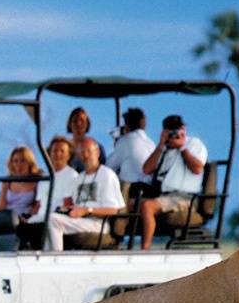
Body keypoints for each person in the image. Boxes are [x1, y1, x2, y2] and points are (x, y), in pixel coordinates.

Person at [138, 115, 208, 249]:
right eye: (171, 130)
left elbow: (198, 168)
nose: (175, 134)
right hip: (164, 195)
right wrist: (160, 145)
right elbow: (146, 170)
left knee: (147, 206)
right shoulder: (165, 149)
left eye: (178, 129)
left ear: (184, 129)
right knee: (135, 203)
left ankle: (144, 249)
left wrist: (182, 148)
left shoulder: (194, 143)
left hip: (185, 197)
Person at [46, 137, 124, 251]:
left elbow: (113, 210)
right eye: (81, 152)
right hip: (81, 220)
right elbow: (76, 205)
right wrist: (67, 209)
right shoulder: (79, 178)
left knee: (53, 220)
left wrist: (88, 210)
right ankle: (46, 261)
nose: (85, 155)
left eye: (88, 151)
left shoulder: (107, 175)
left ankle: (57, 259)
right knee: (50, 218)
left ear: (97, 153)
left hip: (99, 224)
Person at [20, 135, 79, 249]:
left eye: (62, 151)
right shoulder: (45, 178)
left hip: (56, 219)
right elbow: (38, 204)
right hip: (39, 218)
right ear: (49, 154)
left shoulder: (72, 176)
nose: (57, 154)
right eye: (55, 151)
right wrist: (29, 217)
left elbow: (68, 204)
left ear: (69, 155)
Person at [106, 107, 156, 210]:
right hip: (150, 189)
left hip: (131, 190)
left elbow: (108, 168)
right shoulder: (151, 143)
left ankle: (118, 223)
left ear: (127, 125)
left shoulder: (126, 141)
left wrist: (117, 142)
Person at [0, 146, 43, 221]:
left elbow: (38, 205)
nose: (19, 164)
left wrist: (28, 218)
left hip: (25, 219)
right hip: (8, 217)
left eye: (23, 161)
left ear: (29, 162)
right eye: (15, 161)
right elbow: (1, 208)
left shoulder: (37, 181)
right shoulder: (7, 181)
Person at [66, 107, 106, 171]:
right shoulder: (63, 148)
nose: (78, 124)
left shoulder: (96, 147)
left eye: (82, 120)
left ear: (87, 124)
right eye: (75, 121)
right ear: (70, 124)